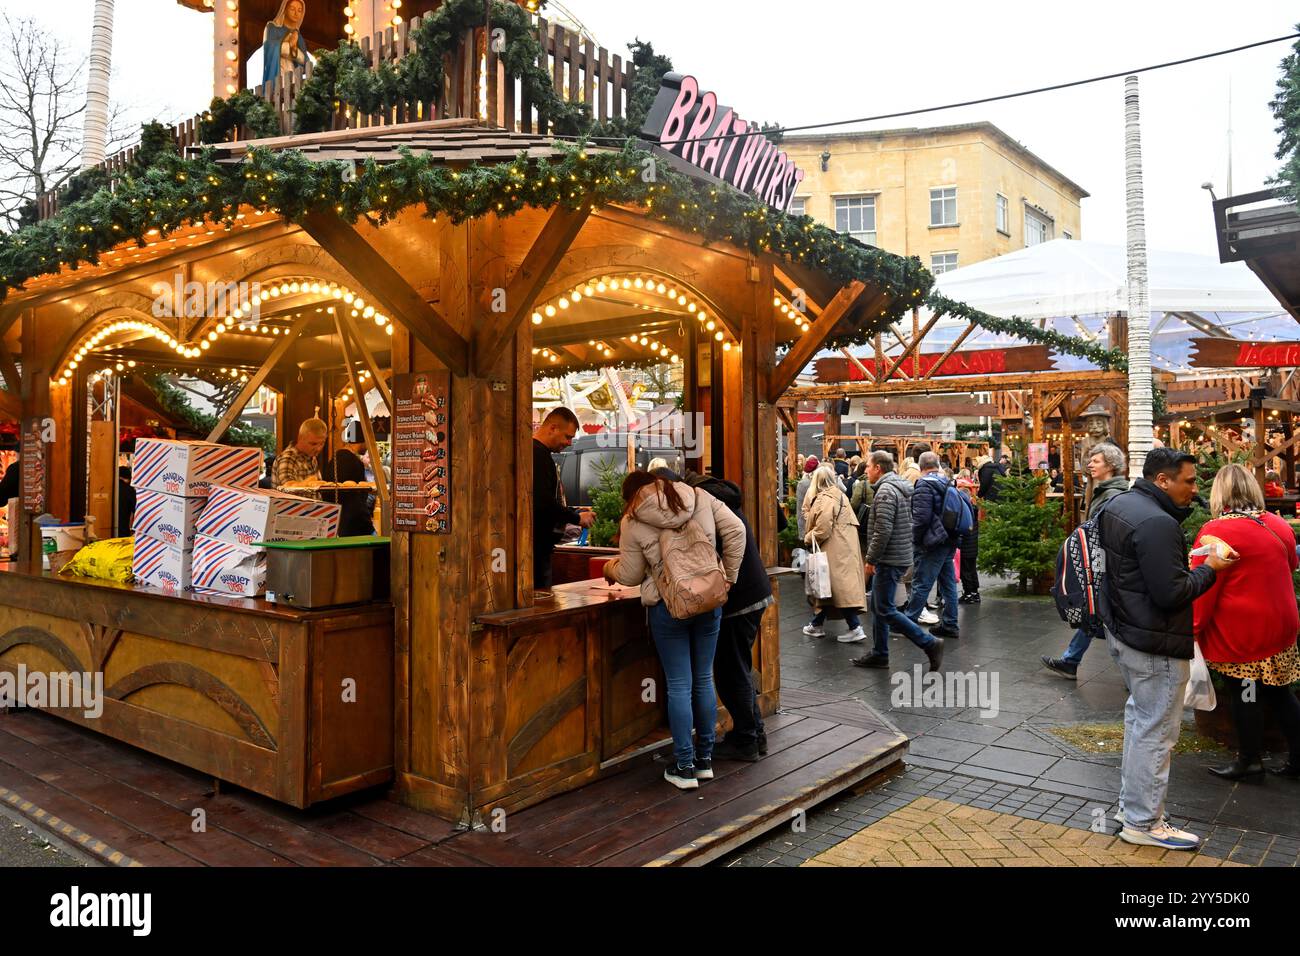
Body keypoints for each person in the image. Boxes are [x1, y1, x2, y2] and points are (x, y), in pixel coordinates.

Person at [1099, 448, 1237, 850]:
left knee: (1142, 725)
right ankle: (1144, 821)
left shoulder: (1121, 503)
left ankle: (1134, 810)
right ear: (1163, 480)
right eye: (1189, 480)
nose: (1194, 489)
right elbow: (1172, 592)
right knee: (1156, 731)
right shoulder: (1158, 522)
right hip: (1154, 639)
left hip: (1127, 632)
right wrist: (1210, 568)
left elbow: (1133, 569)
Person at [602, 472, 745, 790]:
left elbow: (629, 574)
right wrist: (728, 577)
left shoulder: (633, 518)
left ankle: (684, 767)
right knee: (704, 677)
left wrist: (607, 568)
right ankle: (705, 760)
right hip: (709, 599)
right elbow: (736, 530)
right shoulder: (697, 496)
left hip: (669, 607)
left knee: (680, 685)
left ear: (632, 496)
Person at [1191, 464, 1300, 780]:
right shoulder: (1278, 524)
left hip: (1243, 630)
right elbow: (1291, 563)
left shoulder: (1216, 532)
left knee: (1246, 691)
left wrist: (1193, 629)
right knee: (1280, 692)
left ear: (1219, 493)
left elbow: (1204, 586)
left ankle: (1250, 760)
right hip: (1281, 622)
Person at [687, 474, 772, 762]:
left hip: (738, 599)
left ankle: (746, 739)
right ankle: (753, 735)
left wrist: (727, 581)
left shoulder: (705, 505)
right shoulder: (725, 500)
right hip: (754, 592)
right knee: (738, 668)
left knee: (730, 671)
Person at [1042, 443, 1131, 678]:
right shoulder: (1104, 490)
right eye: (1090, 460)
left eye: (1096, 461)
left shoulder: (1112, 494)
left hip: (1105, 564)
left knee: (1103, 615)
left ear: (1111, 465)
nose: (1090, 464)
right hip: (1103, 562)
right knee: (1097, 613)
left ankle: (1133, 676)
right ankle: (1071, 660)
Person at [851, 451, 944, 672]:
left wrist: (871, 559)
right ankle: (880, 653)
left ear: (878, 469)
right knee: (879, 605)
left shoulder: (885, 492)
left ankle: (928, 643)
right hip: (900, 554)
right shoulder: (899, 487)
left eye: (869, 467)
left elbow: (882, 530)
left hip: (889, 557)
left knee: (885, 609)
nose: (866, 470)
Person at [800, 466, 867, 643]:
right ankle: (816, 625)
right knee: (828, 589)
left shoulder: (825, 498)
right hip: (845, 549)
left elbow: (822, 529)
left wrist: (807, 537)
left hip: (834, 550)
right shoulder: (840, 495)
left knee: (836, 589)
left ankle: (855, 627)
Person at [532, 407, 594, 589]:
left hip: (539, 547)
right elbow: (542, 502)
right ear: (552, 428)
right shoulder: (538, 455)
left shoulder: (539, 454)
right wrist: (576, 517)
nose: (569, 443)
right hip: (537, 549)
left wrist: (573, 513)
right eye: (568, 437)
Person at [902, 452, 962, 640]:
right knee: (947, 582)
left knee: (922, 582)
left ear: (921, 467)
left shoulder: (924, 485)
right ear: (937, 465)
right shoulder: (947, 481)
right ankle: (950, 623)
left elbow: (921, 518)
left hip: (932, 541)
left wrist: (916, 539)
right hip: (949, 538)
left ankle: (908, 623)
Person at [324, 441, 374, 537]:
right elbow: (357, 503)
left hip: (334, 526)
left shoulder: (332, 461)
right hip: (355, 528)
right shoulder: (353, 462)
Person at [272, 417, 327, 496]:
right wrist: (309, 482)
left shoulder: (312, 457)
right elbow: (288, 487)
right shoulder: (288, 458)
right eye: (313, 444)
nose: (318, 448)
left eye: (322, 443)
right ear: (300, 438)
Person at [262, 0, 312, 85]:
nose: (296, 13)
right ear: (285, 9)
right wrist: (289, 45)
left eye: (299, 10)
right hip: (277, 68)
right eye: (292, 9)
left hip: (292, 71)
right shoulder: (273, 27)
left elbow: (306, 62)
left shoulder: (298, 36)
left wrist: (294, 49)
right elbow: (269, 47)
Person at [955, 474, 981, 603]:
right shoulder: (974, 509)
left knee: (965, 571)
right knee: (972, 569)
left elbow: (962, 530)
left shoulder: (964, 510)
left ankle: (968, 593)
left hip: (965, 546)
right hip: (973, 546)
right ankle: (975, 592)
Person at [794, 455, 819, 539]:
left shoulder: (803, 483)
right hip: (820, 524)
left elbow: (800, 508)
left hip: (808, 524)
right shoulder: (821, 482)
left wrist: (801, 531)